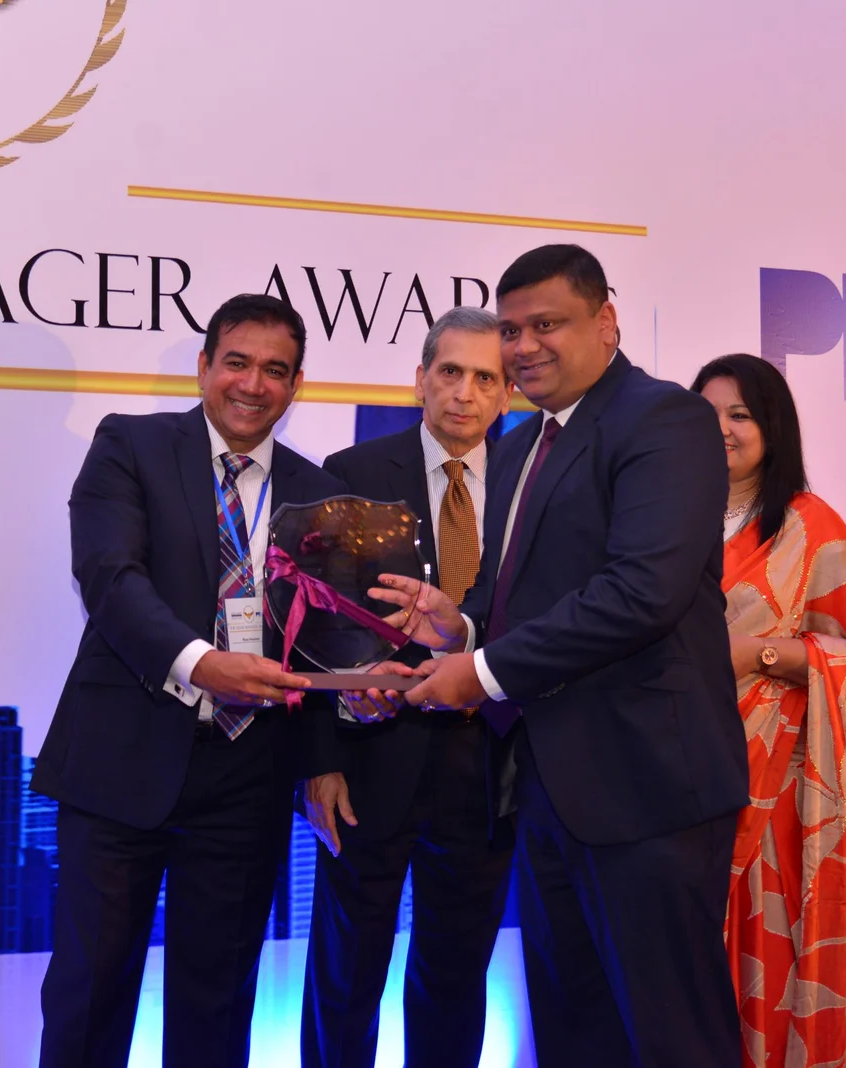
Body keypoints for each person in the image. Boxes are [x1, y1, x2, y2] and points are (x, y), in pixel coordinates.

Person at [376, 245, 749, 1066]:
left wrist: (478, 674)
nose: (524, 346)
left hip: (648, 790)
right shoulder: (519, 445)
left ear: (606, 322)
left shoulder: (664, 419)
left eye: (546, 324)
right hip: (543, 790)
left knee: (672, 1039)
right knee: (574, 1034)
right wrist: (457, 628)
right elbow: (513, 600)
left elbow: (641, 592)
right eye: (511, 330)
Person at [32, 293, 344, 1068]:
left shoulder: (317, 491)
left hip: (249, 775)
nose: (253, 384)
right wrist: (201, 664)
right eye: (236, 362)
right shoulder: (131, 445)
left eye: (275, 370)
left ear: (296, 384)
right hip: (123, 758)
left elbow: (320, 638)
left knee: (218, 1005)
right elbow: (109, 577)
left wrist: (329, 748)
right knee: (90, 996)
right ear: (204, 366)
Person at [300, 306, 516, 1068]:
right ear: (420, 379)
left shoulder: (533, 482)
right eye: (450, 372)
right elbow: (311, 625)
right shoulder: (353, 473)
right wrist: (319, 761)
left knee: (454, 977)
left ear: (507, 393)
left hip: (488, 766)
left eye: (485, 378)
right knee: (346, 975)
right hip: (369, 761)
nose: (465, 392)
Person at [692, 353, 846, 1068]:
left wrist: (760, 655)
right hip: (668, 781)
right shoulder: (662, 521)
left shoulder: (813, 529)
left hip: (781, 797)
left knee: (768, 960)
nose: (721, 429)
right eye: (706, 414)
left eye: (739, 415)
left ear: (773, 428)